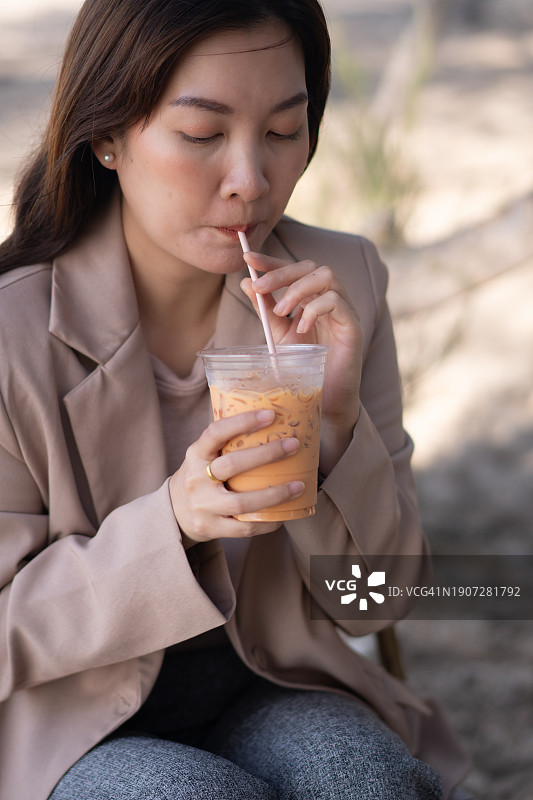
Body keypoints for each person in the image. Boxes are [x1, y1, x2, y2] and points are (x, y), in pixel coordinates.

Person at [0, 1, 470, 798]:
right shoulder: (13, 333)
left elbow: (378, 600)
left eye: (284, 132)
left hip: (275, 682)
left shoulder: (341, 285)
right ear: (107, 135)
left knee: (362, 780)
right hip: (64, 720)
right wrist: (172, 522)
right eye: (201, 135)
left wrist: (333, 426)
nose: (251, 181)